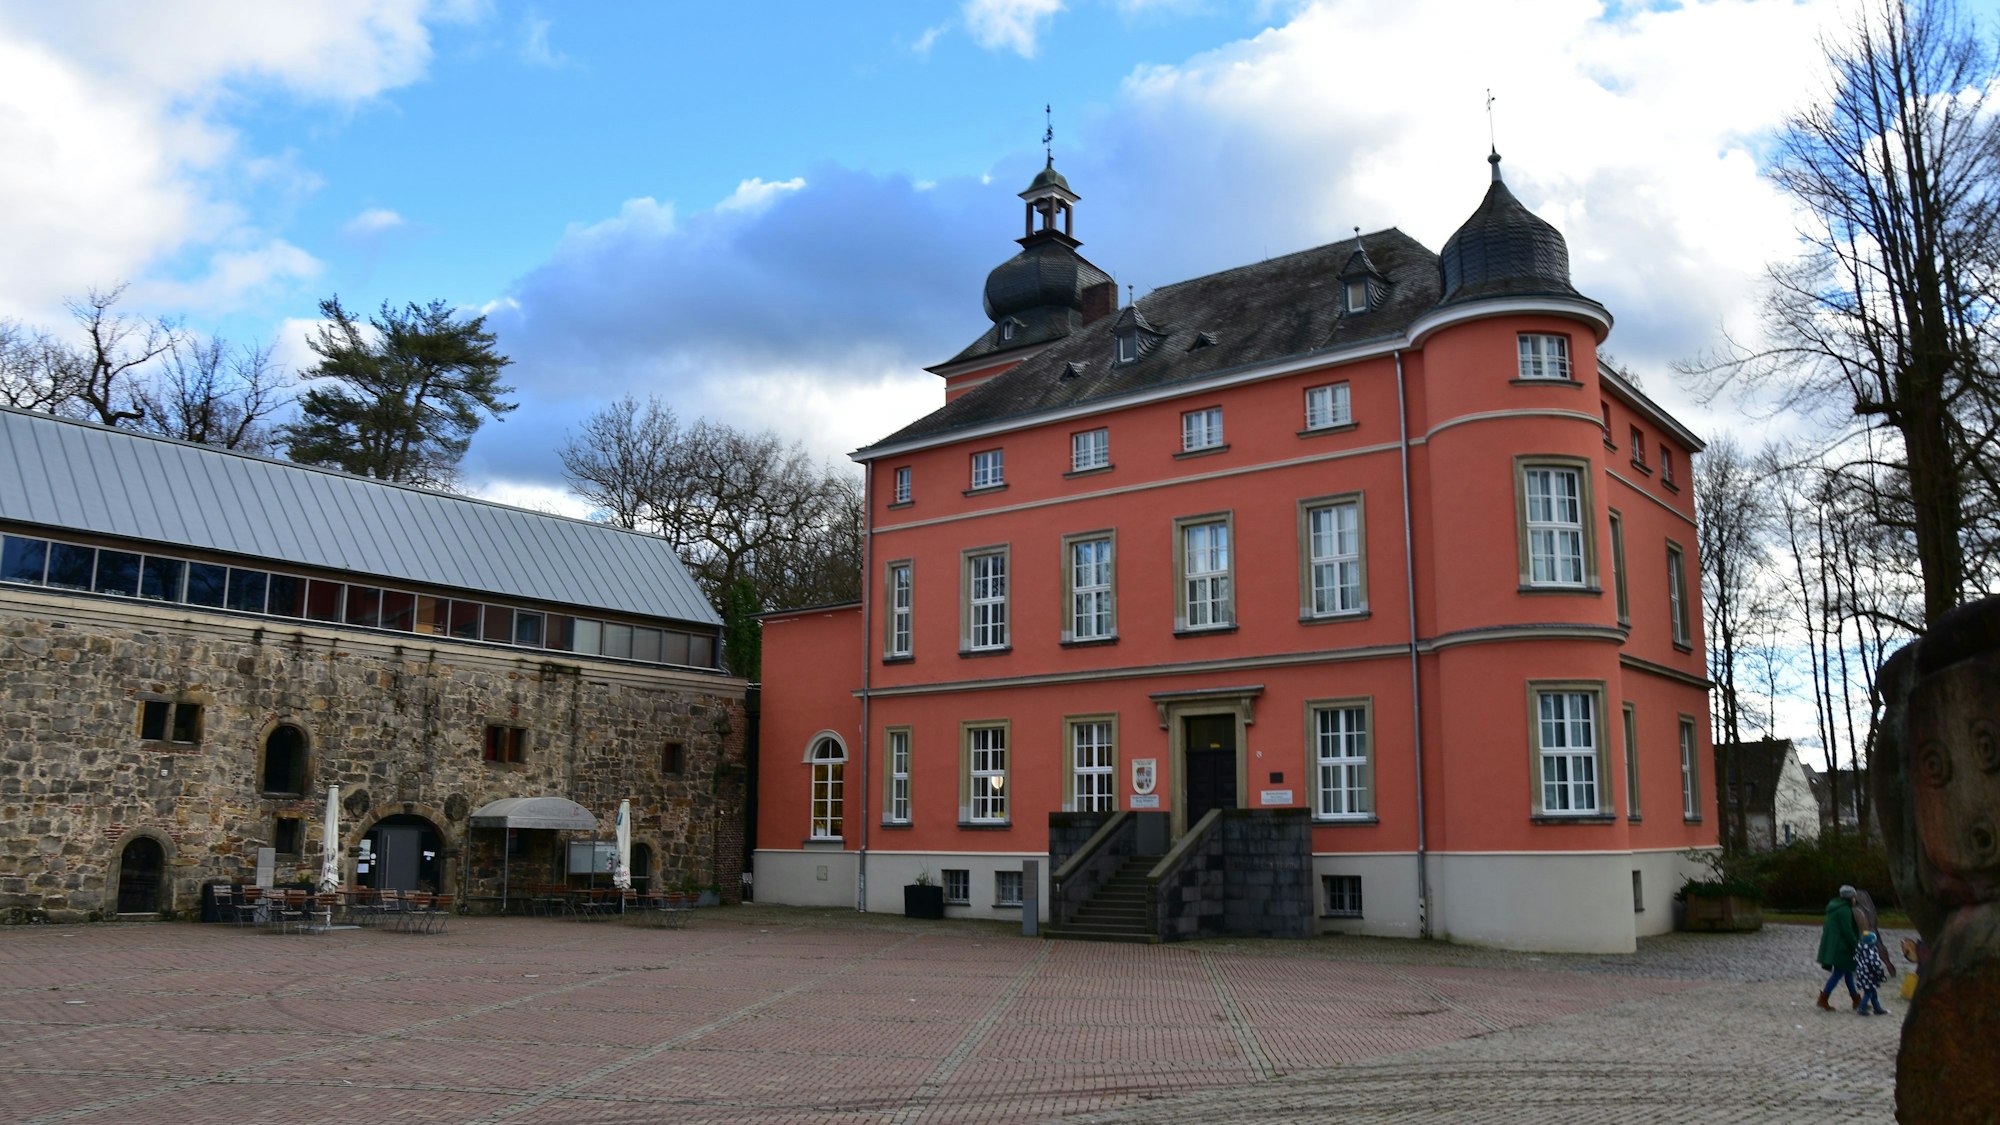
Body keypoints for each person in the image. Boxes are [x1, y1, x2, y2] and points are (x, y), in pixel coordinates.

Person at [1817, 884, 1861, 1010]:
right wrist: (1857, 945)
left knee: (1848, 973)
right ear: (1849, 898)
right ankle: (1823, 998)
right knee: (1839, 973)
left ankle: (1856, 1000)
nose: (1855, 899)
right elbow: (1847, 931)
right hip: (1842, 948)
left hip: (1838, 947)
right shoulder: (1844, 910)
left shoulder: (1835, 908)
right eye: (1853, 897)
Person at [1853, 930, 1892, 1016]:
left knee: (1872, 992)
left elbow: (1855, 959)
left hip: (1862, 974)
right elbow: (1876, 966)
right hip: (1870, 976)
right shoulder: (1872, 953)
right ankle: (1862, 1008)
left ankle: (1877, 1008)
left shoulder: (1860, 949)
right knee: (1869, 992)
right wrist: (1881, 975)